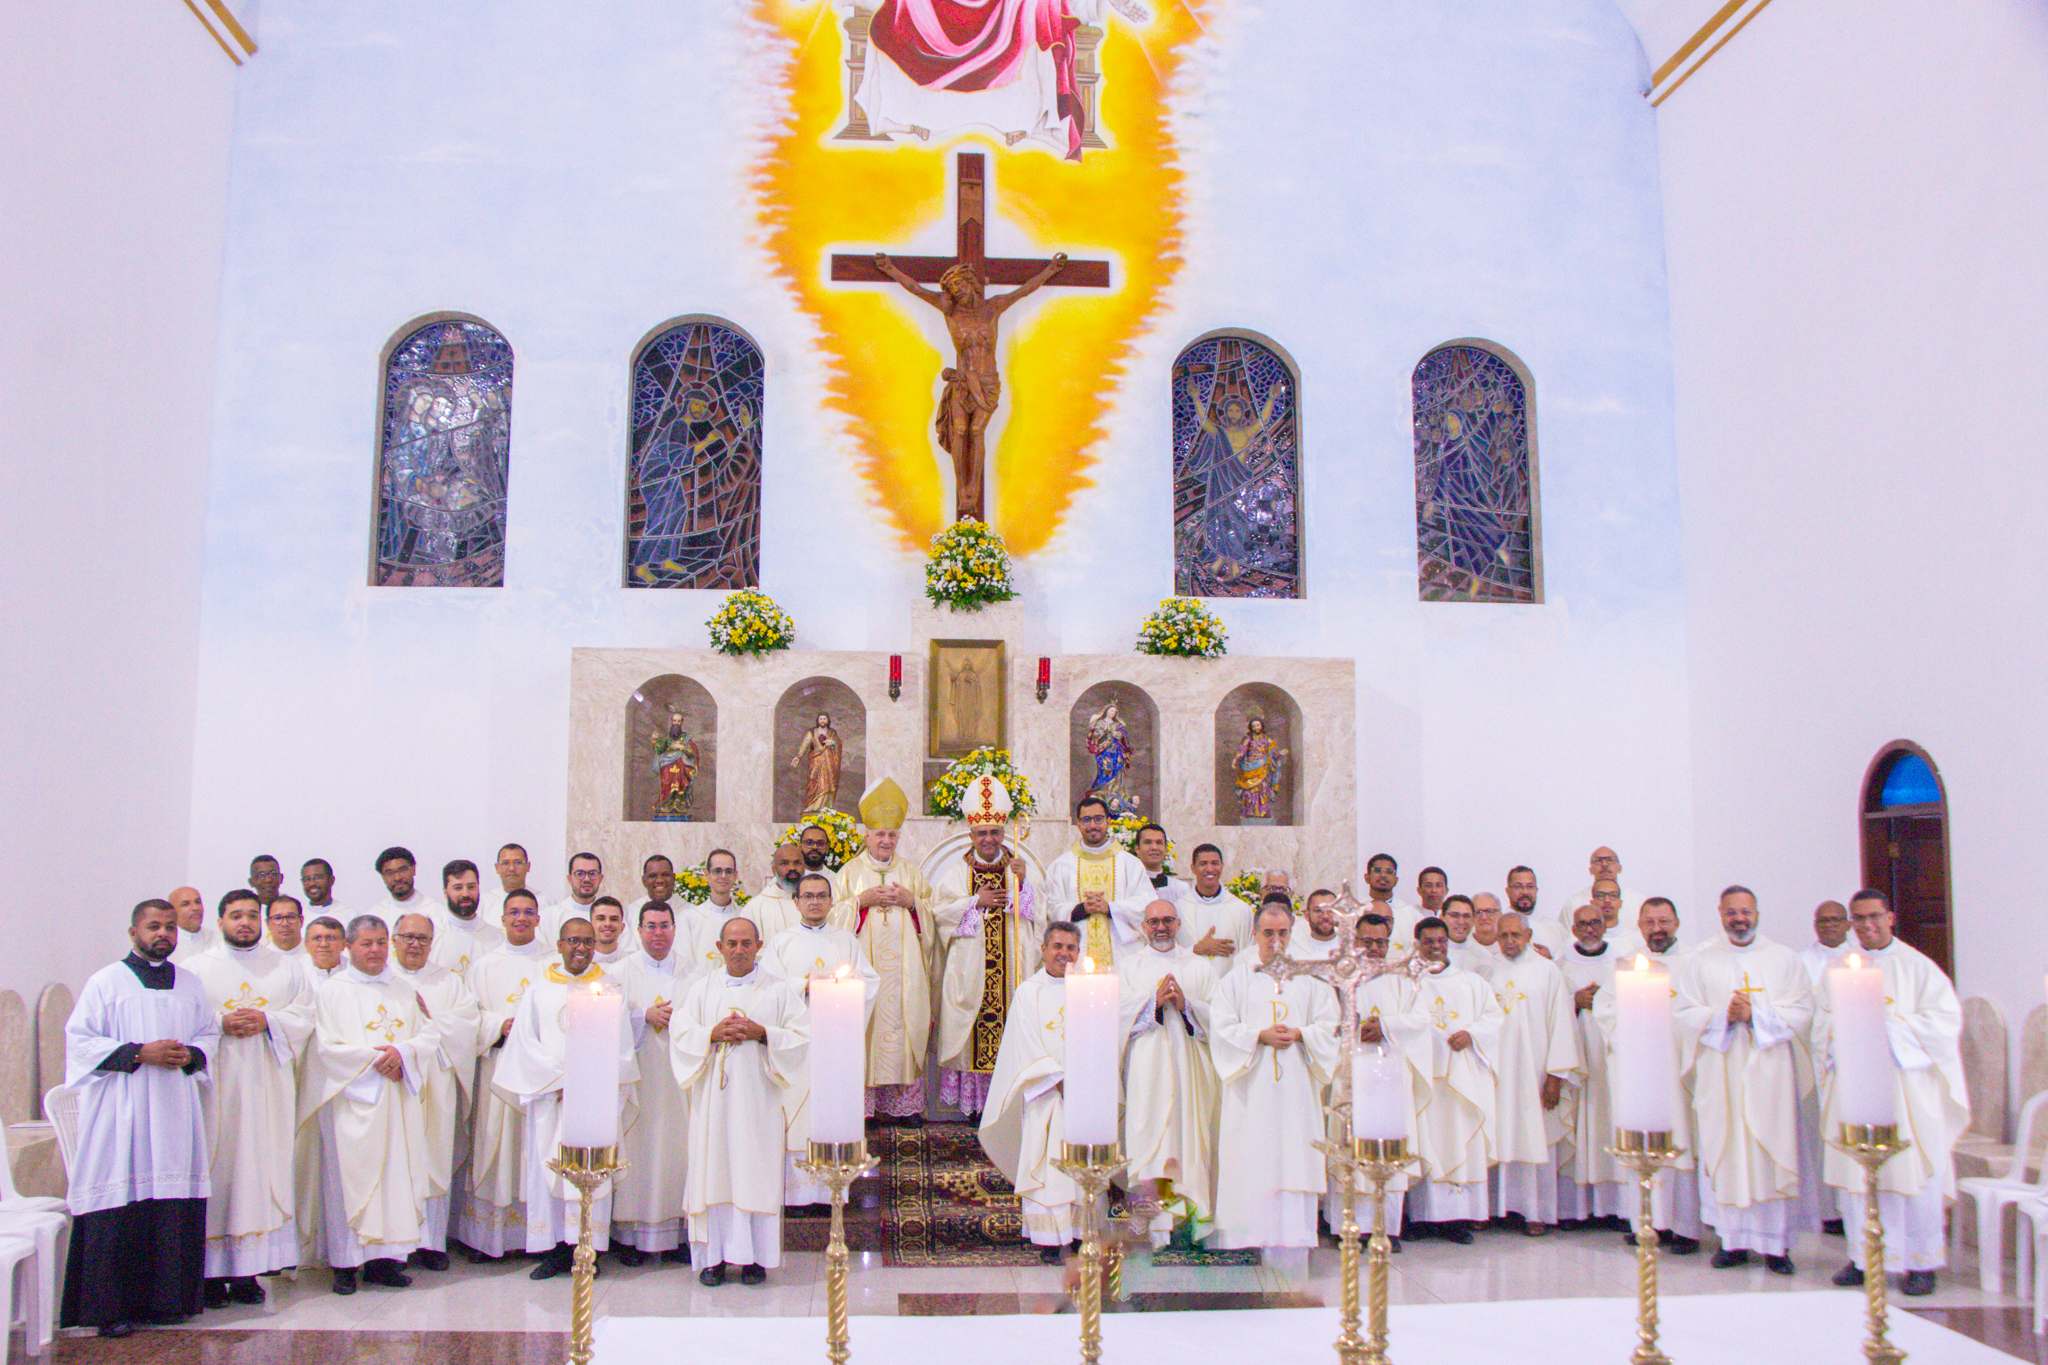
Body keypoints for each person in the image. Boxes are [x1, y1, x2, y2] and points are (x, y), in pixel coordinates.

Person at [61, 899, 219, 1337]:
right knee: (120, 1195)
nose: (163, 934)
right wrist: (137, 1052)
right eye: (153, 926)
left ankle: (167, 1302)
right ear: (134, 932)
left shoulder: (189, 983)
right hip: (121, 1108)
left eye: (169, 927)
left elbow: (209, 1032)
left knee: (170, 1197)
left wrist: (193, 1054)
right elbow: (79, 1040)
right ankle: (111, 1310)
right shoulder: (106, 981)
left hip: (174, 1110)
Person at [1818, 891, 1968, 1297]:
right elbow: (1821, 1023)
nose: (1866, 925)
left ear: (1891, 918)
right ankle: (1865, 1258)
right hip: (1856, 1086)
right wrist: (1844, 1030)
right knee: (1860, 1172)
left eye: (1874, 916)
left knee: (1911, 1172)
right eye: (1859, 918)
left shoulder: (1919, 967)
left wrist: (1888, 1027)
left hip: (1906, 1092)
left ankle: (1921, 1262)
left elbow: (1944, 1024)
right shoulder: (1838, 969)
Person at [1674, 885, 1816, 1275]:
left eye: (1746, 912)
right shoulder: (1701, 961)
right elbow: (1684, 1013)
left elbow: (1803, 1010)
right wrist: (1724, 1015)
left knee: (1771, 1150)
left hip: (1772, 1076)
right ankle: (1732, 1241)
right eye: (1732, 912)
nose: (1739, 919)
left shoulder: (1784, 959)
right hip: (1721, 1074)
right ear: (1720, 914)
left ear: (1757, 914)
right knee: (1728, 1148)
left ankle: (1776, 1246)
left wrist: (1756, 1015)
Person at [187, 890, 315, 1306]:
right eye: (235, 915)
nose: (244, 922)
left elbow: (306, 1016)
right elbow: (182, 1018)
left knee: (257, 1170)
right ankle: (209, 1274)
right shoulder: (196, 969)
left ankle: (248, 1272)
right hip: (215, 1089)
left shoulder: (287, 967)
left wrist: (269, 1021)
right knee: (217, 1168)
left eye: (251, 915)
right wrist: (219, 1023)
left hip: (266, 1089)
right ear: (220, 921)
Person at [494, 916, 639, 1280]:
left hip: (593, 1101)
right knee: (550, 1171)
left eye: (588, 941)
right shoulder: (539, 990)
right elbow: (524, 1044)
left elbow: (621, 1046)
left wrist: (586, 1083)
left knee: (591, 1170)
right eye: (573, 941)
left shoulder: (609, 988)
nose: (581, 948)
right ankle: (556, 1250)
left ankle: (588, 1248)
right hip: (551, 1099)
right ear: (559, 945)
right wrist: (558, 1082)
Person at [299, 915, 436, 1294]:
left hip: (396, 1100)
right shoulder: (332, 992)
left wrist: (403, 1054)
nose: (375, 950)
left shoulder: (402, 989)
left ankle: (384, 1262)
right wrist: (376, 1060)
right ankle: (345, 1264)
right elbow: (325, 1048)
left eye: (380, 943)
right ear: (349, 947)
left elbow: (429, 1035)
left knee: (394, 1178)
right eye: (366, 943)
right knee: (348, 1181)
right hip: (351, 1102)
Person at [673, 917, 807, 1286]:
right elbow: (680, 1033)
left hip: (757, 1106)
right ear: (719, 948)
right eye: (731, 944)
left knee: (754, 1174)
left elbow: (800, 1036)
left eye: (746, 943)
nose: (738, 951)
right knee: (713, 1175)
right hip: (712, 1109)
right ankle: (714, 1259)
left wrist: (763, 1033)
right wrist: (710, 1034)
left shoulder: (778, 990)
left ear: (759, 946)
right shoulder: (701, 989)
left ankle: (754, 1260)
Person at [1210, 904, 1339, 1267]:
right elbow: (1220, 1028)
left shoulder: (1310, 980)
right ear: (1255, 934)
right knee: (1251, 1159)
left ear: (1292, 933)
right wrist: (1258, 1036)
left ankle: (1293, 1243)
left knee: (1294, 1158)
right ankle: (1245, 1242)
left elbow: (1330, 1025)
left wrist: (1301, 1034)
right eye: (1268, 933)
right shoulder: (1236, 980)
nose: (1276, 941)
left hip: (1296, 1093)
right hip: (1251, 1092)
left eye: (1283, 933)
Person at [1593, 897, 1702, 1254]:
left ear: (1677, 923)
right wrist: (1634, 1033)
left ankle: (1685, 1227)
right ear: (1639, 926)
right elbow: (1605, 1009)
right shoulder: (1626, 965)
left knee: (1681, 1142)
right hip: (1643, 1069)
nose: (1657, 928)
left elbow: (1701, 1011)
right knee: (1643, 1140)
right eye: (1650, 922)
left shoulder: (1694, 963)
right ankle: (1648, 1221)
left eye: (1664, 921)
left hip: (1680, 1069)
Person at [763, 873, 878, 1207]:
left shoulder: (846, 942)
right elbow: (768, 989)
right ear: (796, 902)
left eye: (821, 896)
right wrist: (805, 985)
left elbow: (869, 982)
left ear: (831, 901)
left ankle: (834, 1191)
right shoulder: (781, 943)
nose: (815, 902)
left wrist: (843, 987)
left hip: (836, 1045)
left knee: (833, 1110)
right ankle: (796, 1196)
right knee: (796, 1115)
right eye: (808, 896)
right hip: (795, 1045)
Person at [933, 774, 1043, 1119]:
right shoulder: (957, 873)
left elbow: (1041, 915)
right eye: (982, 833)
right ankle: (976, 1110)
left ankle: (1009, 1110)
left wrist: (1022, 885)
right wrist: (974, 902)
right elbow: (939, 914)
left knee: (1014, 1031)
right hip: (971, 972)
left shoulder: (1019, 868)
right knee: (973, 1033)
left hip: (1012, 972)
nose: (989, 839)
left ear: (1004, 833)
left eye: (995, 832)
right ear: (971, 835)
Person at [979, 922, 1089, 1263]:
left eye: (1071, 947)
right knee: (1048, 1166)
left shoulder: (1089, 990)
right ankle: (1048, 1239)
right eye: (1057, 946)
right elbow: (1024, 1042)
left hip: (1083, 1094)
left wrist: (1086, 1079)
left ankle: (1081, 1234)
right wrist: (1057, 1080)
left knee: (1082, 1163)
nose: (1064, 954)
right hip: (1046, 1094)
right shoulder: (1029, 992)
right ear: (1043, 950)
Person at [833, 779, 937, 1125]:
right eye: (880, 834)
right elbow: (832, 920)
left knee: (903, 1027)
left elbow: (932, 917)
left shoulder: (910, 872)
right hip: (864, 971)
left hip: (905, 974)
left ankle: (904, 1108)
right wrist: (860, 902)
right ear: (866, 835)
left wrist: (912, 902)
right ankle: (865, 1109)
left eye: (892, 835)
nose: (886, 840)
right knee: (866, 1029)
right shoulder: (849, 873)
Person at [457, 888, 552, 1259]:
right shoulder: (484, 966)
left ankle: (540, 1236)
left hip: (541, 1076)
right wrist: (500, 1025)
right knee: (496, 1147)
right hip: (498, 1070)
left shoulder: (552, 963)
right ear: (503, 919)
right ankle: (490, 1239)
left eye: (528, 912)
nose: (521, 918)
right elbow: (470, 1017)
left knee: (537, 1151)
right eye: (514, 912)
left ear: (538, 919)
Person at [1117, 899, 1219, 1244]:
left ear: (1178, 924)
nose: (1161, 927)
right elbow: (1116, 1016)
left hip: (1191, 1070)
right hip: (1147, 1070)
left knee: (1189, 1139)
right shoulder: (1129, 966)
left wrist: (1187, 1005)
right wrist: (1153, 1003)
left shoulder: (1200, 966)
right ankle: (1156, 1226)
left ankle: (1192, 1222)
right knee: (1151, 1138)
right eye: (1154, 921)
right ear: (1143, 927)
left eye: (1168, 921)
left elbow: (1220, 1017)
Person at [388, 913, 481, 1273]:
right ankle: (393, 1247)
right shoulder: (382, 979)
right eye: (408, 937)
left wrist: (430, 1018)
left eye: (422, 939)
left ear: (432, 943)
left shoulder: (448, 981)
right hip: (395, 1084)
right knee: (396, 1161)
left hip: (436, 1083)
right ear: (394, 940)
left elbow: (468, 1024)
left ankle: (431, 1243)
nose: (415, 944)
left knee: (434, 1158)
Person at [1402, 916, 1503, 1244]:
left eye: (1440, 941)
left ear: (1448, 943)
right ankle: (1420, 1216)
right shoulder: (1406, 982)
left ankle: (1456, 1219)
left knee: (1459, 1137)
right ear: (1417, 944)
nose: (1435, 947)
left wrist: (1471, 1034)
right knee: (1425, 1139)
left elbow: (1494, 1018)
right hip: (1424, 1078)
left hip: (1462, 1078)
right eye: (1428, 941)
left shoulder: (1471, 982)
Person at [1482, 912, 1581, 1236]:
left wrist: (1555, 1076)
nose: (1510, 941)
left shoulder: (1547, 971)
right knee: (1501, 1134)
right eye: (1504, 935)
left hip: (1536, 1073)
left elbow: (1562, 1023)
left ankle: (1536, 1212)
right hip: (1498, 1074)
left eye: (1516, 935)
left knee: (1536, 1136)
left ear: (1528, 936)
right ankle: (1497, 1209)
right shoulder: (1488, 970)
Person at [1336, 913, 1427, 1245]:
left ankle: (1385, 1227)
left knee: (1388, 1147)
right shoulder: (1340, 976)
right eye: (1367, 942)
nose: (1375, 948)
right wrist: (1352, 1028)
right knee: (1351, 1145)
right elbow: (1324, 1018)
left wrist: (1385, 1027)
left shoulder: (1404, 978)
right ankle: (1349, 1225)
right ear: (1354, 941)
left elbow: (1421, 1019)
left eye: (1381, 942)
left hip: (1390, 1077)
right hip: (1350, 1074)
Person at [613, 901, 691, 1266]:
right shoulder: (618, 972)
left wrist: (680, 1020)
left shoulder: (695, 972)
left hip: (679, 1080)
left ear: (674, 929)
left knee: (678, 1150)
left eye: (664, 926)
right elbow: (606, 1017)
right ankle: (630, 1237)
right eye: (651, 926)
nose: (658, 933)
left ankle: (679, 1235)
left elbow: (703, 1016)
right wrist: (642, 1015)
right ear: (639, 930)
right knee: (637, 1150)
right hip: (638, 1078)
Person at [1556, 903, 1627, 1225]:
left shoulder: (1622, 965)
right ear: (1573, 929)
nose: (1589, 929)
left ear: (1604, 925)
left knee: (1611, 1126)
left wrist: (1604, 1001)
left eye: (1595, 923)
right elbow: (1550, 1010)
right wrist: (1574, 1002)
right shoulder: (1560, 966)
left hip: (1613, 1061)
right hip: (1575, 1059)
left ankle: (1616, 1208)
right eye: (1582, 924)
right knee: (1577, 1125)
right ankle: (1575, 1210)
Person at [1045, 795, 1151, 966]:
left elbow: (1147, 906)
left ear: (1108, 821)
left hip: (1122, 958)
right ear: (1078, 824)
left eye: (1098, 819)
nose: (1093, 825)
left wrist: (1110, 908)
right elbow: (1051, 909)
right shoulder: (1060, 866)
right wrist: (1081, 909)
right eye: (1086, 820)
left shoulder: (1130, 864)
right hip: (1076, 957)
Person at [431, 859, 506, 981]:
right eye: (458, 888)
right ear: (445, 892)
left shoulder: (496, 938)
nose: (465, 894)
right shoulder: (431, 934)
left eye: (471, 887)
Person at [677, 848, 749, 974]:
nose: (723, 876)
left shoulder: (745, 916)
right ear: (707, 876)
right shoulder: (689, 918)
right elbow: (684, 965)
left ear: (735, 876)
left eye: (728, 871)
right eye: (717, 871)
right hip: (700, 985)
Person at [1179, 844, 1252, 963]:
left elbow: (1251, 954)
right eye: (1203, 864)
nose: (1210, 869)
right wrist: (1195, 950)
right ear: (1193, 868)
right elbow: (1169, 957)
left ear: (1222, 866)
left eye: (1215, 863)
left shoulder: (1241, 910)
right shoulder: (1179, 909)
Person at [1560, 847, 1636, 927]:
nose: (1604, 864)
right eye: (1598, 861)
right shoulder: (1573, 903)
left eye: (1610, 860)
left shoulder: (1635, 900)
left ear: (1620, 868)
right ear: (1590, 870)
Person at [747, 844, 806, 944]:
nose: (792, 868)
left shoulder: (814, 902)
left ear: (804, 867)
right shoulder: (755, 908)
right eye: (784, 863)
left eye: (797, 863)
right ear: (773, 870)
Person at [1503, 867, 1568, 958]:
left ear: (1536, 890)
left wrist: (1552, 956)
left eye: (1530, 887)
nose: (1525, 892)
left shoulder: (1555, 928)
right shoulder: (1499, 927)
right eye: (1518, 887)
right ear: (1508, 891)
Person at [544, 852, 606, 940]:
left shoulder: (611, 916)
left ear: (600, 878)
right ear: (569, 879)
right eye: (580, 874)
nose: (587, 879)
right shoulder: (550, 916)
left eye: (592, 873)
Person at [1362, 854, 1421, 948]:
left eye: (1389, 872)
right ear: (1367, 878)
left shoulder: (1411, 914)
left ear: (1396, 880)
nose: (1383, 875)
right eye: (1377, 870)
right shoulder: (1356, 911)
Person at [370, 847, 438, 921]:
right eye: (390, 873)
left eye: (402, 870)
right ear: (383, 877)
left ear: (413, 870)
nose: (397, 878)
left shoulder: (436, 912)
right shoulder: (375, 917)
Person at [1798, 900, 1854, 985]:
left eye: (1835, 920)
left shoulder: (1863, 955)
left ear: (1848, 925)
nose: (1828, 925)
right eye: (1822, 920)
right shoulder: (1801, 960)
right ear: (1815, 926)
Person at [479, 843, 531, 925]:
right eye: (505, 863)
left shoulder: (544, 902)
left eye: (518, 863)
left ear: (528, 866)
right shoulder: (483, 902)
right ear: (497, 868)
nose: (512, 868)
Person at [167, 885, 219, 964]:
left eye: (197, 902)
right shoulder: (166, 943)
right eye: (186, 904)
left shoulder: (219, 940)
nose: (195, 908)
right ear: (172, 912)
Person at [1289, 889, 1342, 960]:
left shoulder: (1350, 947)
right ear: (1307, 915)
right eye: (1318, 910)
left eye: (1330, 910)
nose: (1325, 916)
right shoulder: (1294, 953)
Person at [1132, 823, 1182, 894]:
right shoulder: (1127, 887)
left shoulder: (1179, 888)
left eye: (1159, 843)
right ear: (1137, 849)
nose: (1154, 847)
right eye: (1148, 842)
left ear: (1166, 849)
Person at [1443, 894, 1487, 972]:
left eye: (1466, 916)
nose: (1461, 922)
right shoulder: (1429, 951)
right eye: (1454, 915)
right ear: (1442, 918)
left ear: (1473, 920)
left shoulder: (1483, 956)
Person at [795, 823, 841, 895]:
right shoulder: (791, 878)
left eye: (820, 843)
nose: (815, 847)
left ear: (827, 848)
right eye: (809, 842)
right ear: (799, 847)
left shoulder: (837, 881)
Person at [591, 896, 633, 967]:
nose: (607, 924)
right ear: (590, 926)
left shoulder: (632, 963)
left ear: (622, 928)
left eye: (614, 919)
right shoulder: (581, 964)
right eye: (601, 919)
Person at [303, 917, 346, 982]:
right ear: (306, 944)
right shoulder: (298, 972)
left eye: (331, 938)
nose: (323, 944)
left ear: (343, 944)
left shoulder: (356, 970)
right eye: (317, 938)